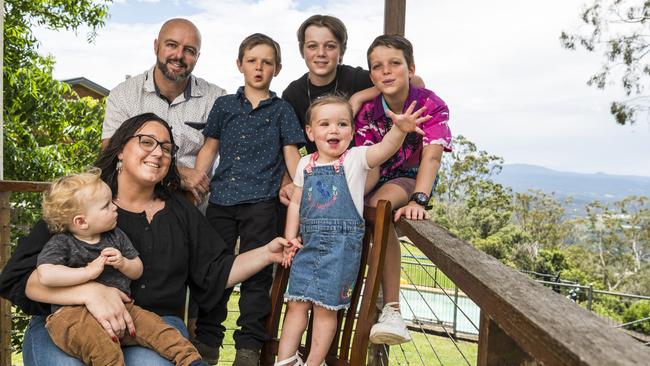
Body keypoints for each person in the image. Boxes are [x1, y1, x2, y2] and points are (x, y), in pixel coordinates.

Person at [0, 113, 295, 366]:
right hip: (67, 320)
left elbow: (217, 271)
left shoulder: (181, 211)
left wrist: (267, 253)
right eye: (146, 141)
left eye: (166, 148)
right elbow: (19, 279)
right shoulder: (82, 203)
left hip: (153, 324)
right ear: (120, 150)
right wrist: (90, 293)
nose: (158, 152)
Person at [275, 95, 430, 366]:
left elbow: (384, 149)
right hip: (308, 246)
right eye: (324, 124)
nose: (334, 130)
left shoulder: (355, 159)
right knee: (296, 303)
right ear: (310, 132)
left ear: (352, 131)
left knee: (325, 310)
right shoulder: (304, 164)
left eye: (342, 124)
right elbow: (296, 204)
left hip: (341, 251)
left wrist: (399, 129)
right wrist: (290, 238)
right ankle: (286, 360)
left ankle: (314, 362)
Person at [194, 33, 304, 365]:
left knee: (258, 276)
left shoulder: (283, 110)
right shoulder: (224, 105)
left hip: (262, 204)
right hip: (222, 202)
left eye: (267, 62)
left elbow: (291, 156)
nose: (259, 67)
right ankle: (207, 341)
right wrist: (197, 182)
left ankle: (249, 347)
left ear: (278, 68)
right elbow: (209, 148)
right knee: (215, 271)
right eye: (252, 60)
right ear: (240, 64)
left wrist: (303, 187)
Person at [37, 169, 208, 366]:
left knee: (158, 329)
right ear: (81, 221)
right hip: (73, 315)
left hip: (121, 309)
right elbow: (46, 274)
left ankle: (191, 361)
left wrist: (124, 263)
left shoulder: (115, 236)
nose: (114, 208)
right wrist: (87, 272)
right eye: (106, 206)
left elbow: (137, 269)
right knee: (103, 348)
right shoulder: (62, 243)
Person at [355, 34, 452, 345]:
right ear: (371, 75)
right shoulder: (368, 111)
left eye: (394, 64)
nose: (386, 71)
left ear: (410, 68)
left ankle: (393, 309)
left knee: (381, 206)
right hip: (378, 172)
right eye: (377, 67)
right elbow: (366, 163)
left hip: (410, 176)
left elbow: (432, 155)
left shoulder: (430, 104)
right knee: (363, 209)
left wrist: (419, 199)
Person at [102, 18, 226, 201]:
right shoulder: (124, 94)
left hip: (194, 207)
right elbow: (110, 151)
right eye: (171, 45)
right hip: (134, 203)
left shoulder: (216, 98)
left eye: (189, 50)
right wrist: (178, 175)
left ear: (198, 57)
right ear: (156, 46)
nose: (179, 55)